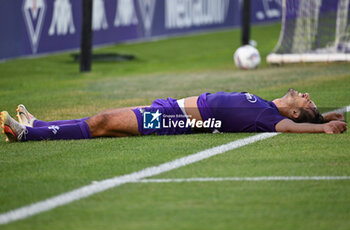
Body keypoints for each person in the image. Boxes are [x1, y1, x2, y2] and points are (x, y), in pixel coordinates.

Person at [0, 88, 347, 142]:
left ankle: (30, 134)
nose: (305, 95)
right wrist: (324, 115)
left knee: (103, 122)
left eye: (308, 102)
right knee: (101, 121)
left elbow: (287, 128)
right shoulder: (267, 106)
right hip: (171, 108)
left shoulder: (272, 119)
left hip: (173, 120)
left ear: (298, 112)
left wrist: (322, 127)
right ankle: (41, 125)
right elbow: (298, 118)